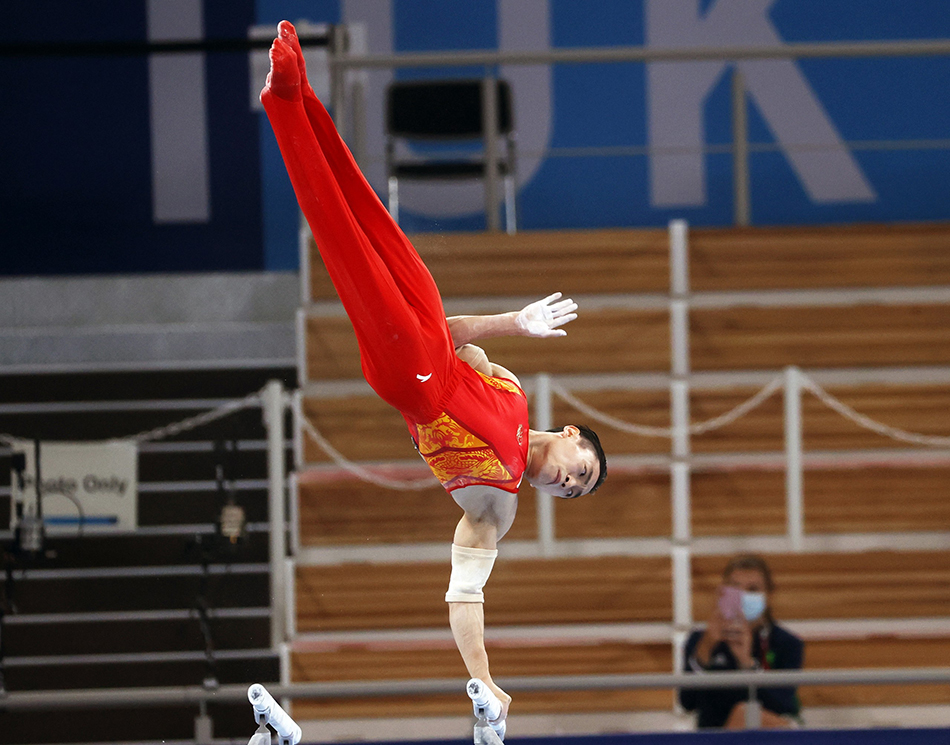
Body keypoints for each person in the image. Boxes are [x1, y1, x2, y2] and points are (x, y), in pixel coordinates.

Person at [260, 21, 607, 729]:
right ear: (572, 433)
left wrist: (484, 680)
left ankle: (282, 99)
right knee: (366, 209)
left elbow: (464, 595)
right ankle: (307, 96)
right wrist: (517, 320)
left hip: (410, 381)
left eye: (575, 491)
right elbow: (452, 338)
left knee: (337, 232)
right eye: (582, 468)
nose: (569, 482)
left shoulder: (498, 507)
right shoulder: (511, 389)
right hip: (429, 331)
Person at [679, 554, 804, 729]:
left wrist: (747, 663)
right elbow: (687, 703)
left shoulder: (787, 643)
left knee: (744, 714)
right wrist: (705, 650)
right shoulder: (700, 641)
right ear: (723, 592)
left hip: (768, 738)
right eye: (736, 588)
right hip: (715, 738)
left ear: (769, 595)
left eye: (752, 589)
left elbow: (781, 704)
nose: (743, 596)